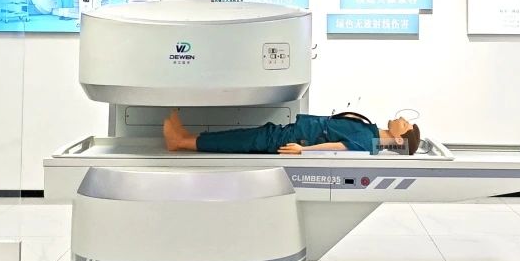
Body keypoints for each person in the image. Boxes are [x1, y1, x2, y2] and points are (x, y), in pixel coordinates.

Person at [163, 109, 420, 155]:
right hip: (297, 133)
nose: (402, 119)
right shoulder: (371, 132)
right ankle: (186, 138)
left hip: (296, 140)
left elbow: (338, 148)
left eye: (406, 124)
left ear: (399, 139)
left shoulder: (368, 140)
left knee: (242, 140)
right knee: (244, 137)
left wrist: (303, 150)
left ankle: (181, 142)